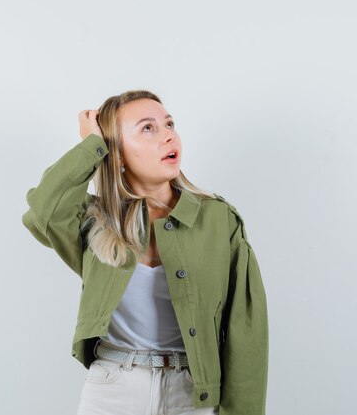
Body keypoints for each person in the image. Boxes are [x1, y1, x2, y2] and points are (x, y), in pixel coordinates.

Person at [22, 90, 268, 415]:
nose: (168, 135)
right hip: (110, 390)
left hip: (192, 394)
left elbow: (246, 330)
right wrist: (91, 147)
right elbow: (43, 212)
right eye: (148, 128)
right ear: (118, 154)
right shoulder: (95, 221)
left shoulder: (219, 221)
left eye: (169, 124)